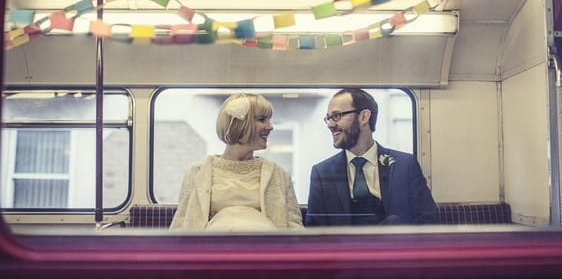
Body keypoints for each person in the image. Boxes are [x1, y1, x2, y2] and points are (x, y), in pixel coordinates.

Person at [169, 93, 303, 231]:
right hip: (211, 250)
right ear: (240, 124)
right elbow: (180, 227)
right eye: (262, 119)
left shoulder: (279, 175)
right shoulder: (196, 173)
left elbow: (294, 228)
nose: (270, 126)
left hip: (266, 250)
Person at [306, 88, 438, 226]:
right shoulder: (322, 173)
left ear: (363, 117)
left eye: (336, 116)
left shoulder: (405, 166)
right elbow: (315, 231)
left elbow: (427, 221)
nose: (330, 125)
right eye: (328, 118)